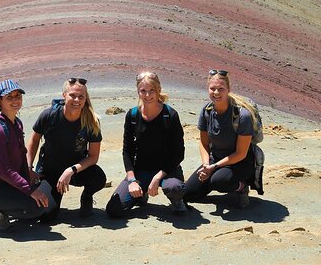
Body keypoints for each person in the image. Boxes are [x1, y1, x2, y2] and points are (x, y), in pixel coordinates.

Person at [0, 79, 56, 231]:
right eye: (9, 97)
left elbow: (20, 156)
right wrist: (30, 190)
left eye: (18, 96)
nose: (15, 100)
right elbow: (2, 170)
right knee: (36, 207)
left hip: (10, 184)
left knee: (47, 203)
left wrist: (29, 174)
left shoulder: (16, 123)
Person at [106, 71, 186, 217]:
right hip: (141, 171)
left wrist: (158, 177)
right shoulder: (133, 116)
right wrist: (132, 180)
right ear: (138, 91)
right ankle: (140, 194)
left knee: (174, 187)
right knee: (114, 209)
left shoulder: (170, 115)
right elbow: (127, 151)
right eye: (143, 91)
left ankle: (177, 201)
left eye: (151, 91)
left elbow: (179, 153)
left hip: (167, 171)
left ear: (158, 90)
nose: (147, 95)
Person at [26, 78, 106, 220]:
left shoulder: (92, 121)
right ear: (64, 95)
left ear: (85, 98)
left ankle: (86, 198)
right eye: (72, 95)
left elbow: (93, 157)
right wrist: (28, 167)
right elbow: (34, 139)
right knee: (46, 216)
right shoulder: (49, 116)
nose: (77, 100)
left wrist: (71, 170)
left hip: (76, 171)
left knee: (98, 178)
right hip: (50, 173)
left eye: (81, 96)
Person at [183, 69, 256, 208]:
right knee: (188, 194)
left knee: (218, 182)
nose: (216, 93)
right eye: (212, 89)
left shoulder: (242, 116)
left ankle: (241, 187)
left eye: (221, 89)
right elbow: (204, 143)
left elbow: (241, 153)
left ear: (228, 89)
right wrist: (206, 166)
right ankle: (214, 177)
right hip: (214, 160)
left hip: (240, 162)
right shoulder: (207, 110)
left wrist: (213, 167)